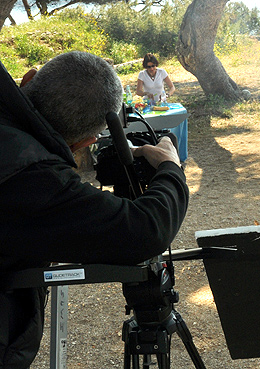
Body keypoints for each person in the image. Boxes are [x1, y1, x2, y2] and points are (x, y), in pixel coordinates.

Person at [0, 51, 188, 368]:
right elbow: (145, 230)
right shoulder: (34, 180)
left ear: (29, 78)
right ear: (86, 142)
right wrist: (170, 165)